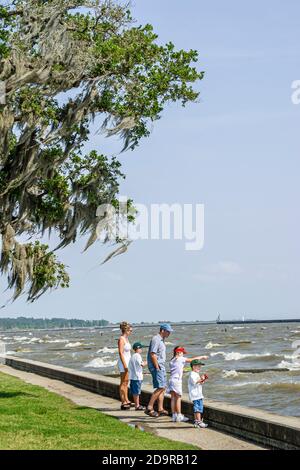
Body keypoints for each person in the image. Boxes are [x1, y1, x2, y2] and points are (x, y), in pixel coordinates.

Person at [168, 346, 209, 423]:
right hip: (177, 381)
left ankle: (174, 415)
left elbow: (177, 368)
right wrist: (202, 357)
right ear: (178, 352)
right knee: (178, 397)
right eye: (182, 353)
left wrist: (185, 369)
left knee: (173, 398)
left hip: (171, 380)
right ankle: (179, 415)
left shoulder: (172, 360)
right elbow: (191, 360)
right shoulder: (180, 359)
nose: (183, 354)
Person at [145, 323, 173, 417]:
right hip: (158, 366)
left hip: (161, 366)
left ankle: (160, 409)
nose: (169, 333)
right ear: (162, 330)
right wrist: (157, 367)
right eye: (168, 331)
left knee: (163, 387)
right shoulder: (156, 339)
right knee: (160, 387)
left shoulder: (161, 340)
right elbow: (152, 354)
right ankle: (149, 407)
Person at [188, 359, 209, 428]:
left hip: (198, 394)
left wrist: (203, 379)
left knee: (199, 407)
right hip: (195, 394)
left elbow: (199, 382)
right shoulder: (192, 374)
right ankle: (199, 422)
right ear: (193, 367)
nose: (200, 368)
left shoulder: (196, 373)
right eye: (198, 366)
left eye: (200, 366)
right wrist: (201, 378)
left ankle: (196, 421)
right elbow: (195, 382)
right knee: (197, 408)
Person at [117, 321, 133, 410]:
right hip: (123, 363)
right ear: (126, 330)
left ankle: (126, 399)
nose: (131, 332)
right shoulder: (121, 339)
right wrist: (125, 365)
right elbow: (120, 352)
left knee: (126, 382)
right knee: (123, 382)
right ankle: (123, 401)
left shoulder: (126, 339)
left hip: (128, 362)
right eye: (130, 330)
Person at [128, 342, 147, 411]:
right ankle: (137, 405)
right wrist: (147, 362)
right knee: (137, 392)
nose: (141, 349)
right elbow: (141, 364)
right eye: (141, 348)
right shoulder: (137, 356)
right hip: (137, 377)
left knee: (134, 392)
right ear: (138, 348)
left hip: (132, 376)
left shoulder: (133, 356)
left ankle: (136, 404)